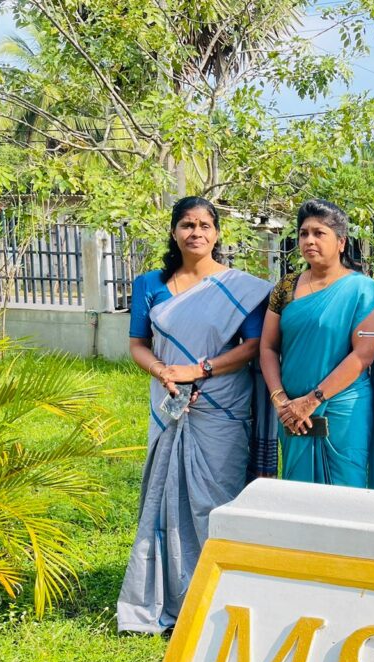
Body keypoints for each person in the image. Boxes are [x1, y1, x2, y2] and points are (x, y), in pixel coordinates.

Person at [118, 196, 274, 634]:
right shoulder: (150, 284)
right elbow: (138, 345)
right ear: (174, 232)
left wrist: (199, 369)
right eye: (187, 224)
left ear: (217, 233)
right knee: (164, 498)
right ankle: (167, 596)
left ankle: (218, 599)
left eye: (205, 225)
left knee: (215, 500)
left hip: (220, 406)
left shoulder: (240, 288)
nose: (196, 233)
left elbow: (252, 347)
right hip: (169, 402)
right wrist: (163, 371)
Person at [260, 199, 374, 488]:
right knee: (298, 493)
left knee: (346, 491)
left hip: (343, 411)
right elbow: (268, 347)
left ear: (341, 242)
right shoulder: (286, 287)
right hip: (291, 411)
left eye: (319, 233)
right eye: (304, 233)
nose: (309, 240)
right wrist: (281, 400)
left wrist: (312, 401)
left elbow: (363, 356)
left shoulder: (362, 291)